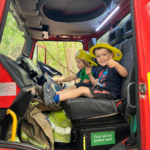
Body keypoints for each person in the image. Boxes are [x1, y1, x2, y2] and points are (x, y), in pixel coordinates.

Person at [38, 43, 128, 107]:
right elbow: (95, 83)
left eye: (104, 55)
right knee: (79, 89)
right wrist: (90, 75)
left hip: (110, 94)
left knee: (81, 89)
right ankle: (53, 94)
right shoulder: (101, 69)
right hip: (100, 90)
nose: (101, 58)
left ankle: (54, 98)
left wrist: (116, 64)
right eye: (98, 56)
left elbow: (125, 73)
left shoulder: (114, 65)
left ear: (111, 55)